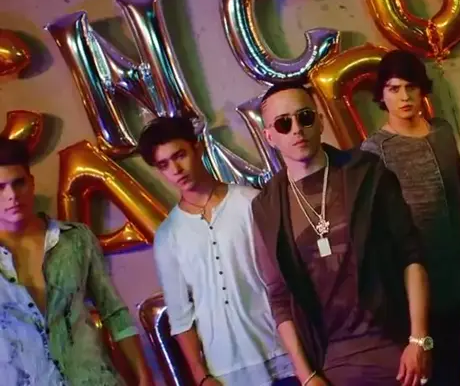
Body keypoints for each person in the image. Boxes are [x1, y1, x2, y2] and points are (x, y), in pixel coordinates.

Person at [252, 81, 432, 386]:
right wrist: (306, 376)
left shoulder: (365, 171)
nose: (297, 129)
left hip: (397, 346)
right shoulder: (267, 206)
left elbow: (411, 255)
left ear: (320, 121)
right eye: (284, 123)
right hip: (332, 361)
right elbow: (279, 297)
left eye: (305, 117)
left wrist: (419, 339)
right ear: (269, 136)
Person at [361, 49, 460, 386]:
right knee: (445, 373)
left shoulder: (441, 131)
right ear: (382, 94)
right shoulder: (375, 150)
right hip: (426, 281)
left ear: (422, 90)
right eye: (394, 89)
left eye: (411, 87)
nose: (404, 97)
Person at [138, 117, 296, 386]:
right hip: (225, 371)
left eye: (179, 155)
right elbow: (180, 315)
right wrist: (202, 376)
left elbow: (284, 282)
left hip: (280, 354)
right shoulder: (167, 236)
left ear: (197, 148)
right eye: (164, 165)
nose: (176, 170)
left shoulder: (250, 202)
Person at [0, 138, 154, 385]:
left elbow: (113, 311)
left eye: (18, 183)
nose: (12, 196)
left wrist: (143, 375)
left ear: (31, 182)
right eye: (0, 187)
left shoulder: (75, 239)